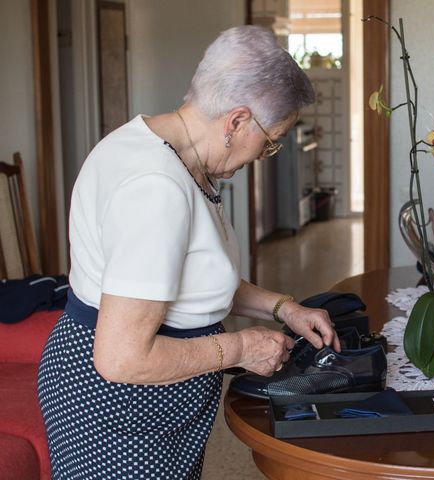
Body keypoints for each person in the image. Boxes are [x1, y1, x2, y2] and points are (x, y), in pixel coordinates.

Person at [37, 25, 339, 480]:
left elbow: (190, 278)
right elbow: (122, 358)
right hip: (119, 411)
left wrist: (283, 308)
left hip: (149, 407)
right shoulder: (155, 189)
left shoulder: (158, 147)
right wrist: (240, 347)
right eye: (270, 140)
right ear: (237, 121)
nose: (265, 154)